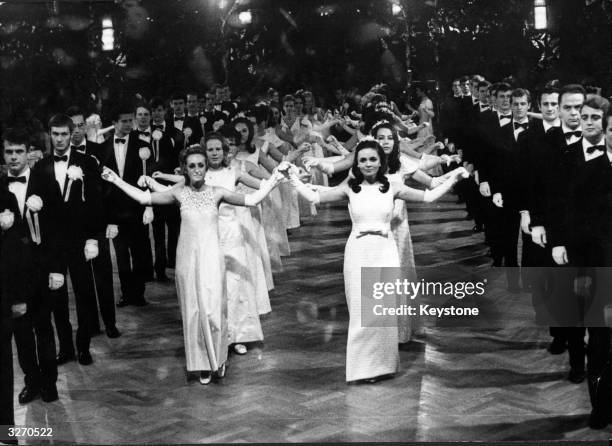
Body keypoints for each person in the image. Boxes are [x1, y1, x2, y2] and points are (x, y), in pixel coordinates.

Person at [287, 139, 468, 382]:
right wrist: (292, 178)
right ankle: (361, 369)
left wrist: (453, 178)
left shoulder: (393, 186)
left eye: (373, 159)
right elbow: (315, 197)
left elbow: (428, 197)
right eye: (363, 160)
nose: (368, 164)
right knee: (362, 311)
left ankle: (382, 366)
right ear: (357, 164)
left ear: (381, 161)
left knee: (382, 310)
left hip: (385, 249)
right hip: (358, 251)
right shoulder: (349, 187)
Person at [100, 144, 283, 384]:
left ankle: (218, 358)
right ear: (185, 169)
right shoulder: (178, 192)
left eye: (200, 165)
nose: (196, 170)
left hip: (212, 259)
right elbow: (145, 197)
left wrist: (276, 179)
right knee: (193, 313)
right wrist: (116, 180)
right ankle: (202, 365)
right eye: (192, 166)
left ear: (206, 167)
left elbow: (253, 198)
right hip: (186, 260)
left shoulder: (218, 192)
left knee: (213, 311)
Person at [2, 127, 64, 403]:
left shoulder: (46, 182)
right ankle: (32, 380)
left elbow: (58, 230)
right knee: (21, 334)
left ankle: (50, 382)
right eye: (9, 152)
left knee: (44, 328)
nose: (14, 157)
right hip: (12, 277)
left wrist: (57, 269)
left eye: (19, 151)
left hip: (42, 270)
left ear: (29, 153)